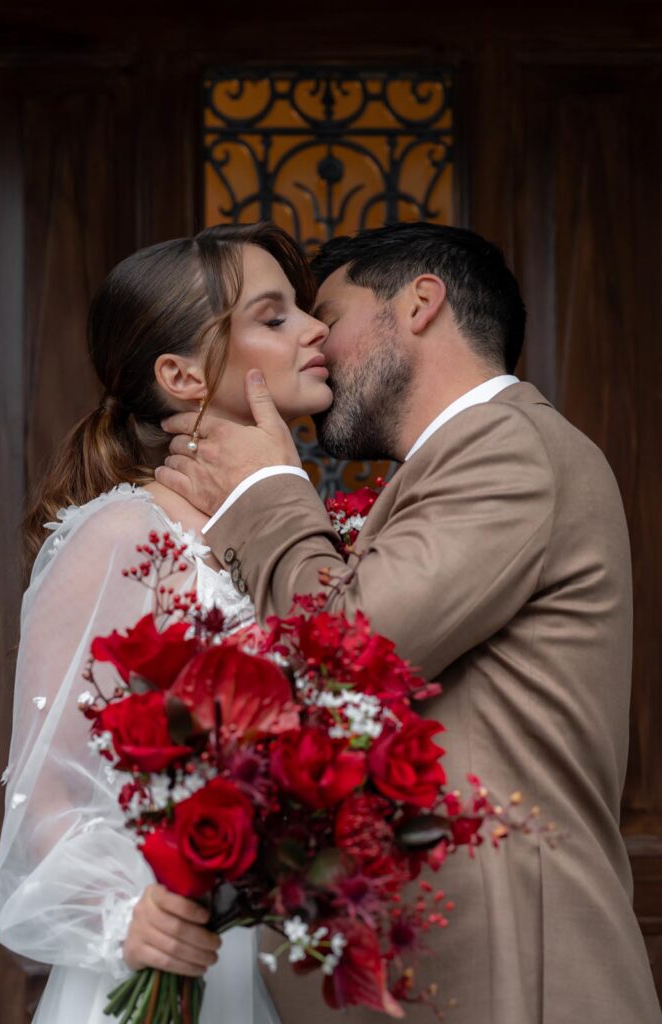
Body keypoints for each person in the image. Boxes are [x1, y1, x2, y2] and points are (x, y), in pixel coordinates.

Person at [157, 222, 662, 1024]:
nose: (313, 340)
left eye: (327, 314)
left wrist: (265, 489)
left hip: (513, 972)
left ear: (419, 302)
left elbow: (345, 650)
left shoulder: (507, 444)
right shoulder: (448, 466)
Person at [0, 222, 331, 1024]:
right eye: (274, 316)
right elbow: (47, 796)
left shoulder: (301, 526)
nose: (316, 329)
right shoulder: (120, 535)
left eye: (302, 309)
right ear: (180, 375)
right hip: (166, 951)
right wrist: (127, 914)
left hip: (282, 950)